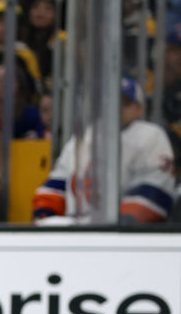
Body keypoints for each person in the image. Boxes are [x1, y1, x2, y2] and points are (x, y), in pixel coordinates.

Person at [33, 78, 174, 225]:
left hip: (128, 235)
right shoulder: (86, 136)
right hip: (77, 228)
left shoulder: (150, 136)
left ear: (139, 109)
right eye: (111, 102)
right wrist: (44, 214)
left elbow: (155, 190)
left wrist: (121, 225)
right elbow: (58, 183)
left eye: (125, 103)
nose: (116, 108)